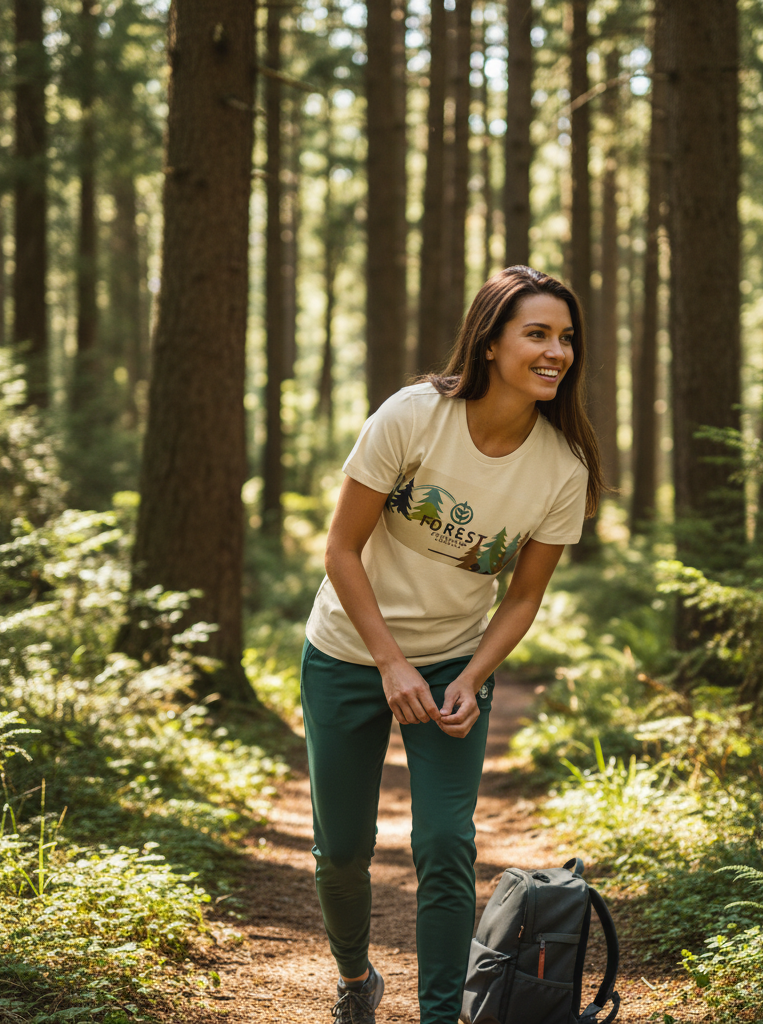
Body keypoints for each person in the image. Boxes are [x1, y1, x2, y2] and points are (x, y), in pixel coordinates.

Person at [301, 265, 603, 1024]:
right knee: (342, 851)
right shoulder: (412, 416)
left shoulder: (561, 467)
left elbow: (524, 596)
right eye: (537, 334)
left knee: (443, 842)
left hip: (451, 663)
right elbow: (340, 550)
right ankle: (353, 978)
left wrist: (469, 676)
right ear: (491, 341)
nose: (555, 352)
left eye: (566, 338)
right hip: (347, 650)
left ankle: (441, 1017)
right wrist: (388, 661)